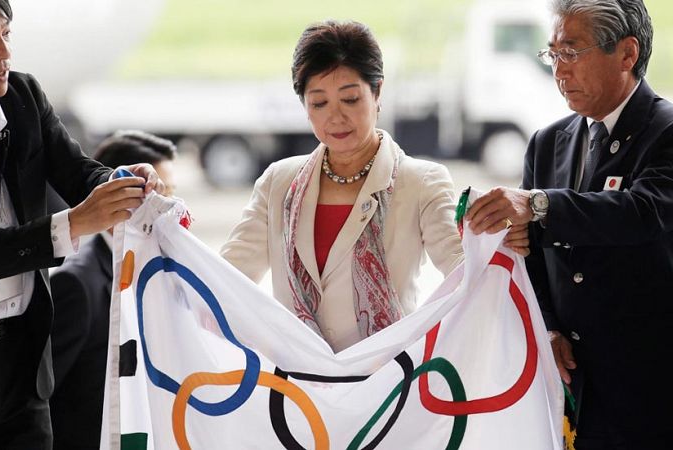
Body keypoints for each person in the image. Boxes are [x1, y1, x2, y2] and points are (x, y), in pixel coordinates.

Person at [464, 0, 673, 448]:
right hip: (582, 385)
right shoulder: (547, 143)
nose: (559, 70)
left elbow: (641, 213)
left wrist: (538, 205)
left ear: (626, 54)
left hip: (667, 385)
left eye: (572, 52)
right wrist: (548, 327)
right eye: (552, 54)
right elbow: (533, 257)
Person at [0, 1, 164, 448]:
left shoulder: (24, 96)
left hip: (25, 361)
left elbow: (76, 172)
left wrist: (122, 181)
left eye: (6, 35)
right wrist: (73, 223)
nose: (4, 54)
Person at [221, 20, 527, 353]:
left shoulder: (420, 181)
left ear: (377, 92)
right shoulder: (278, 183)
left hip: (388, 385)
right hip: (297, 384)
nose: (335, 118)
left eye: (350, 99)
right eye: (319, 103)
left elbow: (464, 273)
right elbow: (224, 278)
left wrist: (498, 240)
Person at [49, 131, 176, 450]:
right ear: (117, 198)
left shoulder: (155, 272)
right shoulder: (76, 285)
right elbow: (43, 398)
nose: (169, 209)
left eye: (171, 195)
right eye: (157, 197)